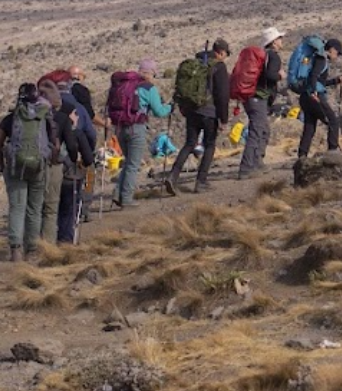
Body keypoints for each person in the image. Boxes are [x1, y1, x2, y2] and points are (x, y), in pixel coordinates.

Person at [0, 82, 61, 262]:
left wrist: (2, 165)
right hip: (39, 167)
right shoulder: (44, 115)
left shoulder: (11, 118)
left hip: (16, 167)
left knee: (17, 207)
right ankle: (32, 249)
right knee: (35, 209)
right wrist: (50, 160)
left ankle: (16, 249)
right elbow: (54, 144)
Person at [169, 40, 231, 194]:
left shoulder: (195, 64)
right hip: (209, 112)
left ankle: (172, 176)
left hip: (192, 110)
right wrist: (224, 119)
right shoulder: (219, 66)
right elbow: (223, 95)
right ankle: (201, 182)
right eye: (226, 54)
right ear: (221, 52)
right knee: (209, 145)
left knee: (190, 143)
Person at [110, 60, 172, 208]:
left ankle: (118, 193)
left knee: (128, 162)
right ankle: (126, 199)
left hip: (120, 127)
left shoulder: (125, 85)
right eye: (154, 74)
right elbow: (159, 112)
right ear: (150, 73)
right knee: (133, 164)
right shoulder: (148, 88)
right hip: (136, 128)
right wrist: (170, 107)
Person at [237, 29, 287, 180]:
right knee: (257, 130)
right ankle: (246, 168)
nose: (281, 41)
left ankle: (257, 162)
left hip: (251, 97)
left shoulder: (262, 56)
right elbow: (270, 75)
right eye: (279, 38)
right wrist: (280, 75)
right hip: (258, 98)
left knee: (263, 129)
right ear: (273, 41)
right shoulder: (273, 56)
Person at [52, 78, 97, 243]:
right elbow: (90, 138)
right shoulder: (79, 114)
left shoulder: (50, 112)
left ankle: (47, 238)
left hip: (50, 166)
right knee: (69, 206)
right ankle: (66, 239)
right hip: (72, 169)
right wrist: (86, 160)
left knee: (51, 205)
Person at [295, 37, 342, 160]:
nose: (337, 56)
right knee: (333, 120)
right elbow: (314, 76)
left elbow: (319, 81)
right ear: (332, 50)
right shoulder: (321, 59)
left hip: (305, 97)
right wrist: (314, 92)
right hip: (314, 97)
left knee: (310, 126)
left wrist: (335, 81)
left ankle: (302, 155)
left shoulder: (315, 59)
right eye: (337, 53)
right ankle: (333, 152)